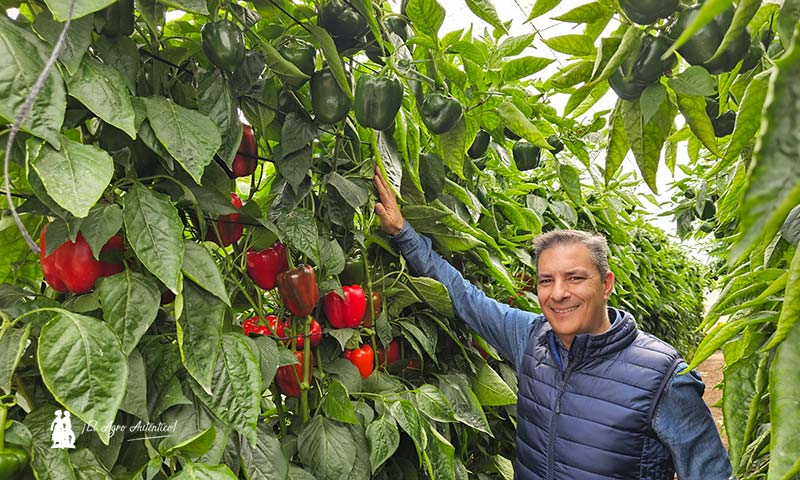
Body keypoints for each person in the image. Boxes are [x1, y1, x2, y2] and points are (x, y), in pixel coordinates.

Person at [372, 168, 732, 479]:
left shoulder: (664, 378)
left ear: (606, 284)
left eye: (575, 278)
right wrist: (404, 233)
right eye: (546, 280)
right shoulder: (532, 338)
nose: (558, 293)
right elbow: (465, 299)